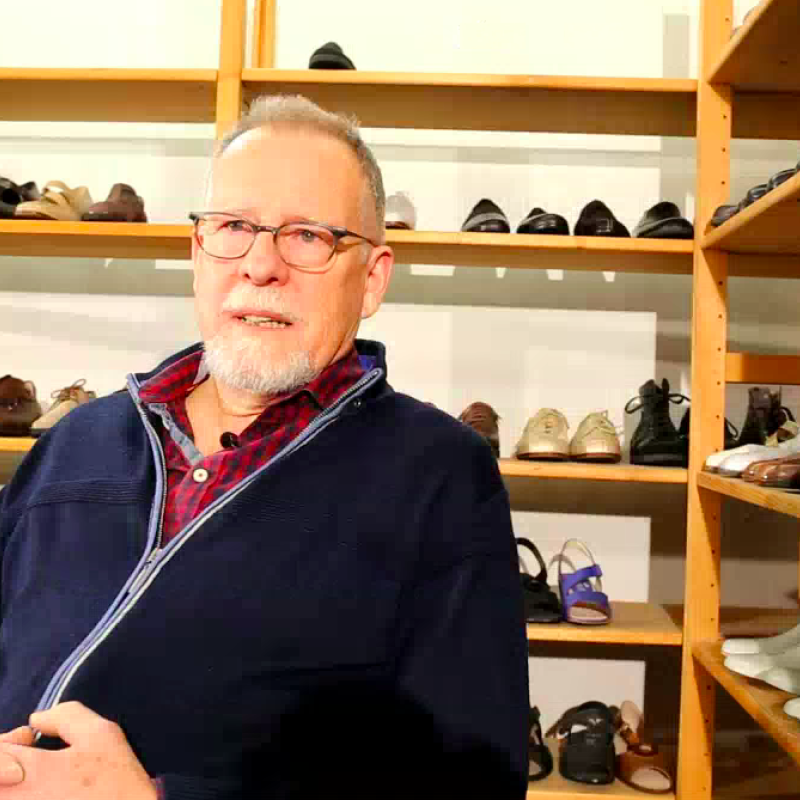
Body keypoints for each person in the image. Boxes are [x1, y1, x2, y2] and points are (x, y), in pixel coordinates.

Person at [0, 94, 529, 799]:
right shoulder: (77, 442)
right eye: (233, 226)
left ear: (372, 278)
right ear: (198, 252)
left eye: (307, 235)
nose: (259, 265)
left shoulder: (440, 476)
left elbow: (472, 782)